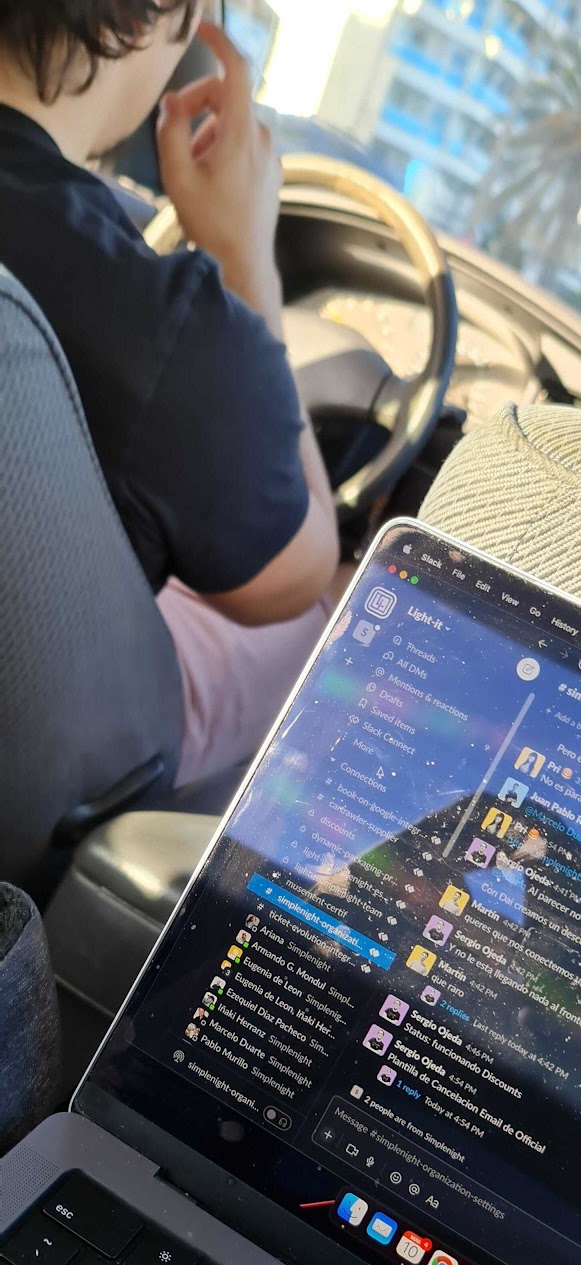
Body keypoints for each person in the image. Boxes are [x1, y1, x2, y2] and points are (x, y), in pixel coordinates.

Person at [0, 1, 341, 784]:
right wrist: (242, 252)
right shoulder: (157, 324)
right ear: (157, 17)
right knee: (323, 615)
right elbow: (293, 576)